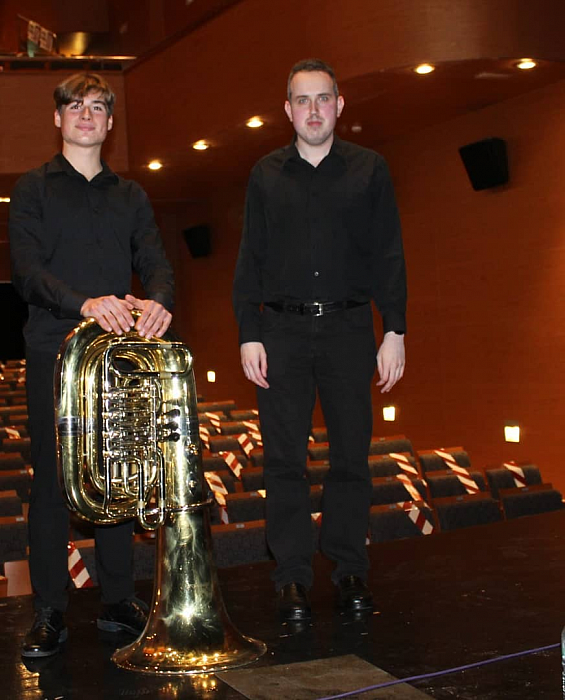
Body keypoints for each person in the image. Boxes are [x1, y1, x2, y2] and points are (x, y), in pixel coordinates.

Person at [232, 58, 406, 620]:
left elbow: (389, 255)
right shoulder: (264, 174)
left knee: (352, 456)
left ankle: (351, 569)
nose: (313, 110)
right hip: (280, 331)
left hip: (350, 329)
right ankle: (292, 577)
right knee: (284, 462)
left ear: (339, 105)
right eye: (302, 100)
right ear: (287, 110)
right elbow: (249, 260)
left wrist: (395, 329)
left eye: (323, 99)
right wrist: (248, 332)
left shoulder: (370, 169)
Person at [9, 72, 174, 658]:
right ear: (58, 119)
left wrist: (157, 300)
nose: (86, 115)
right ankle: (50, 610)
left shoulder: (130, 195)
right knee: (52, 484)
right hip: (54, 351)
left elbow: (155, 260)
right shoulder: (32, 189)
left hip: (114, 358)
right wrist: (85, 303)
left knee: (115, 480)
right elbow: (25, 271)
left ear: (108, 123)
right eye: (74, 106)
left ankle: (115, 602)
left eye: (97, 107)